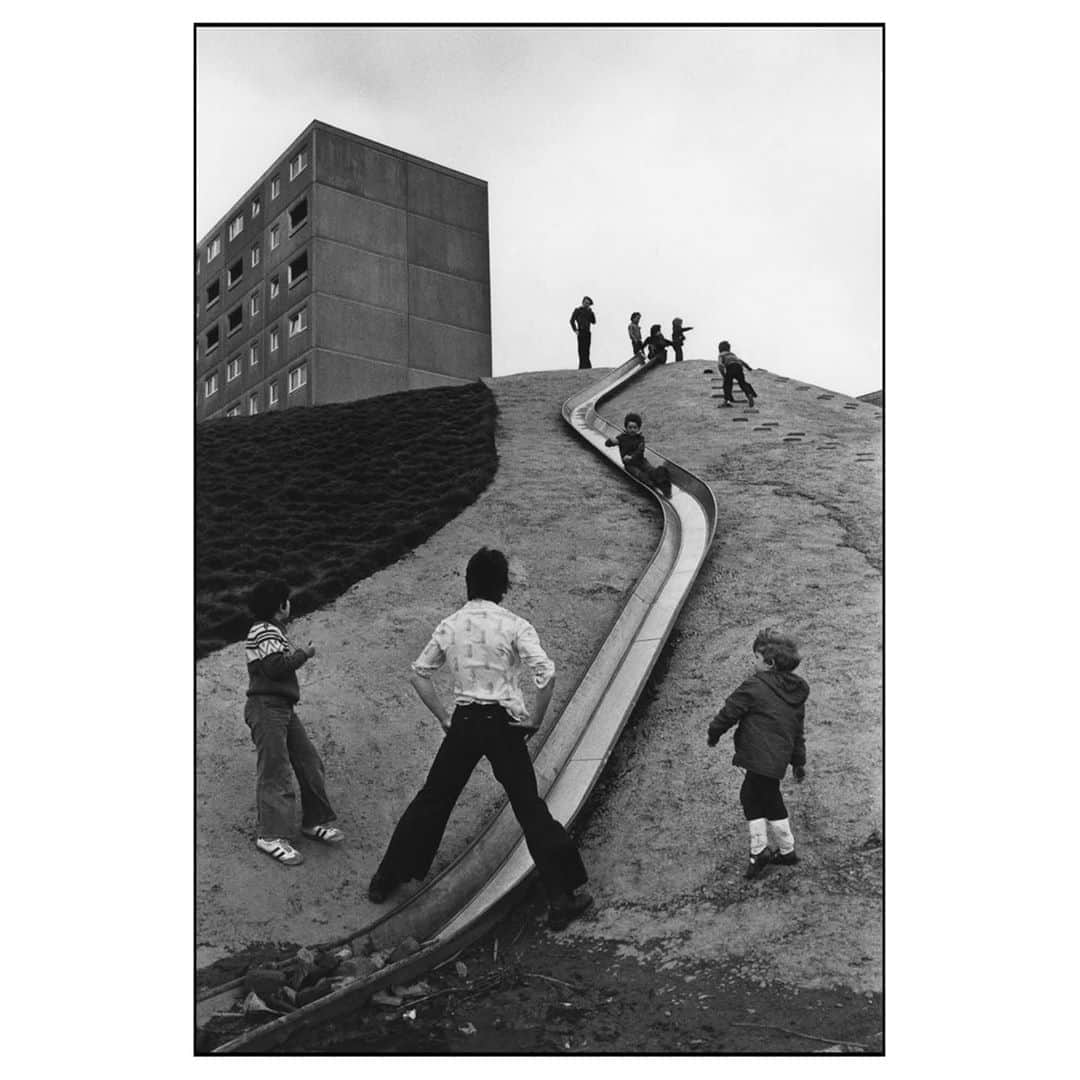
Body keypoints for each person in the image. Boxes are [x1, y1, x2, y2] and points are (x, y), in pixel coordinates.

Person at [367, 548, 593, 930]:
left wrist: (443, 717)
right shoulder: (515, 625)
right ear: (503, 585)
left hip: (465, 721)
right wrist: (535, 720)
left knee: (434, 798)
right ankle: (561, 898)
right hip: (504, 724)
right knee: (528, 807)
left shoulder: (450, 624)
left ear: (468, 582)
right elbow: (546, 674)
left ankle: (386, 879)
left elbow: (419, 673)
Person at [243, 578, 344, 867]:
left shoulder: (272, 631)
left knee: (308, 760)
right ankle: (271, 835)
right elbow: (275, 668)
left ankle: (314, 821)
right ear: (279, 606)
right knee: (275, 770)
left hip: (282, 708)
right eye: (287, 600)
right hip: (266, 708)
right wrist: (304, 654)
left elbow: (275, 664)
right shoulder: (263, 630)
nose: (291, 604)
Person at [706, 629, 809, 879]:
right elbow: (797, 730)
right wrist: (798, 761)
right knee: (763, 796)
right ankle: (784, 849)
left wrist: (714, 732)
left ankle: (763, 851)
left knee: (755, 798)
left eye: (756, 658)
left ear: (769, 663)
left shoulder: (754, 686)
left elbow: (730, 712)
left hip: (756, 756)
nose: (753, 662)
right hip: (777, 760)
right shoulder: (795, 693)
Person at [604, 411, 673, 498]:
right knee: (639, 474)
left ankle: (663, 483)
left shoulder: (640, 439)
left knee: (650, 469)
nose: (632, 429)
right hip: (630, 464)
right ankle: (652, 484)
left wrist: (631, 457)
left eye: (635, 427)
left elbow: (640, 451)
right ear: (626, 428)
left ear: (638, 429)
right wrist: (610, 441)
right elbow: (608, 444)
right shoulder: (622, 438)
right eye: (630, 427)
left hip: (640, 461)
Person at [718, 340, 757, 407]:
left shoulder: (721, 355)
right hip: (738, 367)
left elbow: (720, 365)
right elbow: (741, 361)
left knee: (727, 384)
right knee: (742, 383)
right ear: (729, 348)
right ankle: (749, 394)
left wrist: (724, 375)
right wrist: (749, 368)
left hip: (730, 367)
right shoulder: (732, 355)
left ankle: (725, 401)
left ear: (720, 349)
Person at [570, 296, 596, 369]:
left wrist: (591, 313)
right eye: (586, 303)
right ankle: (582, 366)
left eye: (588, 303)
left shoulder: (589, 312)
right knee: (581, 350)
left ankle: (587, 366)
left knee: (587, 350)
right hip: (581, 331)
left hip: (587, 332)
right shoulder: (578, 310)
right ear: (583, 302)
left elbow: (594, 322)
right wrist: (575, 330)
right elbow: (571, 320)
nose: (586, 304)